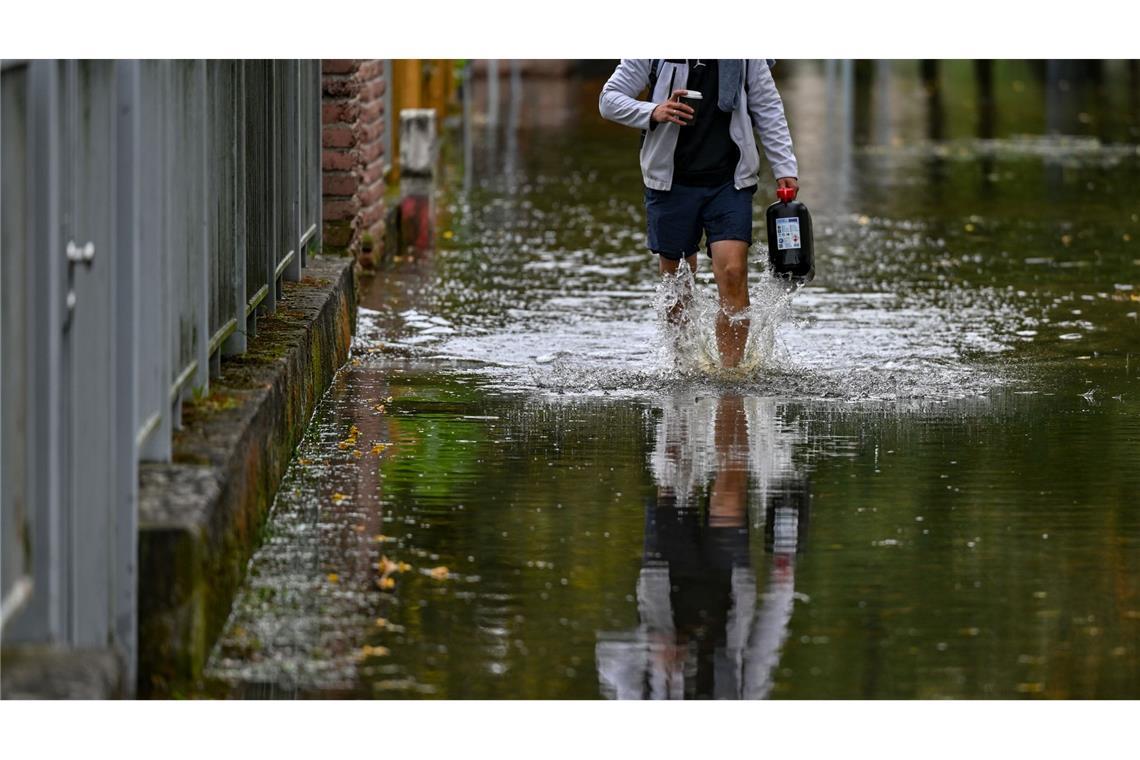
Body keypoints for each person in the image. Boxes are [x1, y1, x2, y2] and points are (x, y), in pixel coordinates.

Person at [599, 59, 800, 368]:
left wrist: (785, 167)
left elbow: (768, 107)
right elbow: (609, 99)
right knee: (678, 283)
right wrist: (652, 112)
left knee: (733, 272)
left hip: (730, 182)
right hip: (669, 183)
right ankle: (684, 367)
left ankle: (730, 378)